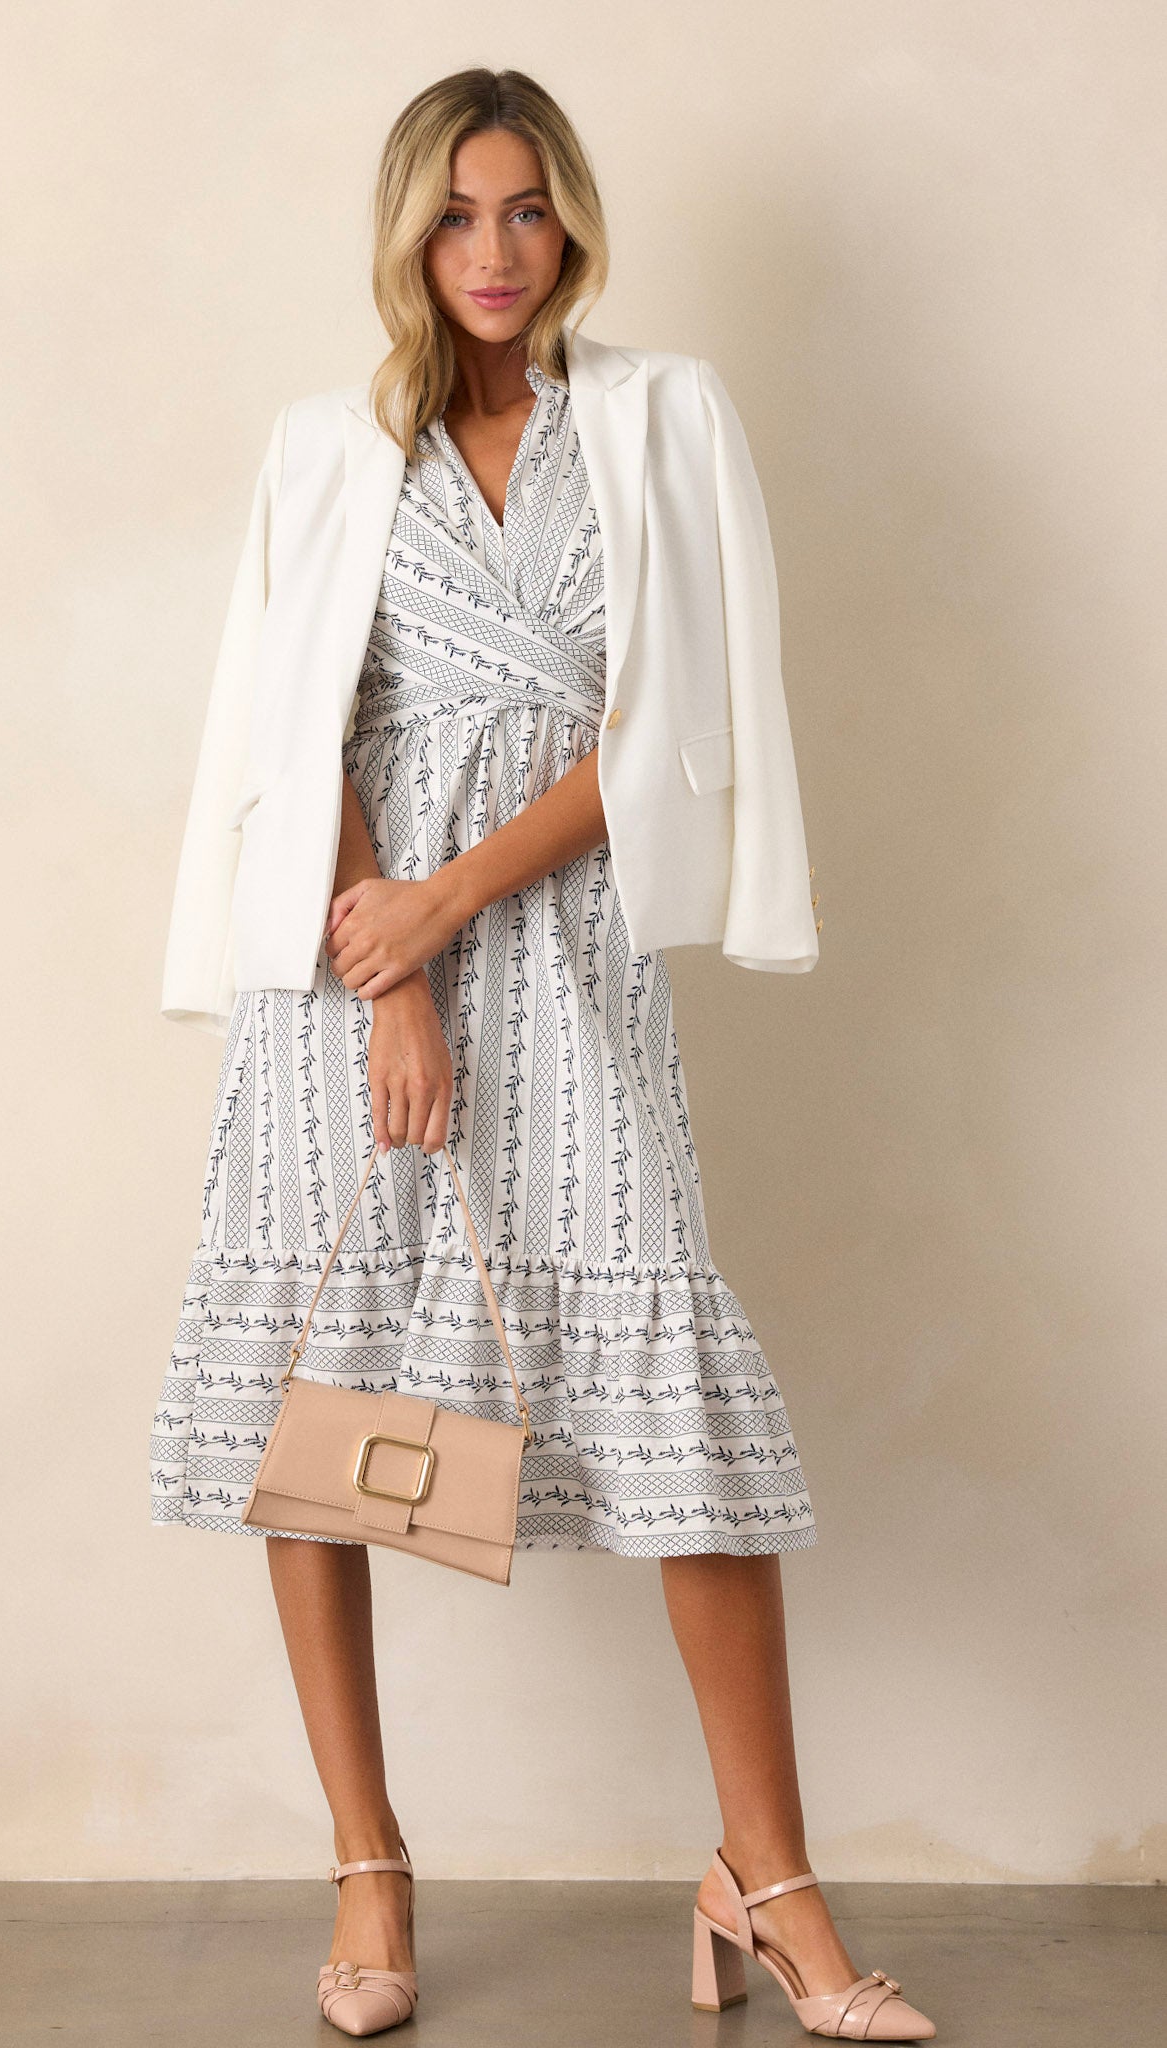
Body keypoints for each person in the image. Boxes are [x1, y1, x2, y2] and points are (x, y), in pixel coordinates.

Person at [150, 66, 935, 2044]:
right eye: (453, 216)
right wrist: (386, 964)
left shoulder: (656, 421)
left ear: (569, 222)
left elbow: (672, 717)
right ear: (405, 235)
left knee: (669, 1397)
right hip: (345, 977)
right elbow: (290, 725)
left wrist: (449, 907)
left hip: (564, 952)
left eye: (523, 212)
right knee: (316, 1402)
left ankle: (762, 1875)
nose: (491, 254)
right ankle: (367, 1860)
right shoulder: (326, 450)